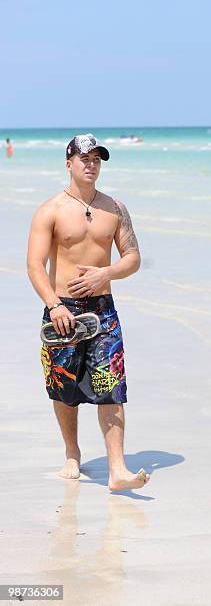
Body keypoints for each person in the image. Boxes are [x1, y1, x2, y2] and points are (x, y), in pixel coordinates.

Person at [27, 133, 150, 491]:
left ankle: (118, 469)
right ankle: (71, 452)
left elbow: (133, 258)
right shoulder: (50, 210)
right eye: (85, 159)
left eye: (97, 159)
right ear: (69, 163)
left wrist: (107, 273)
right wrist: (53, 304)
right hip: (62, 310)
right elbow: (35, 266)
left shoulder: (115, 208)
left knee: (111, 388)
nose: (91, 165)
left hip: (103, 310)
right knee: (64, 388)